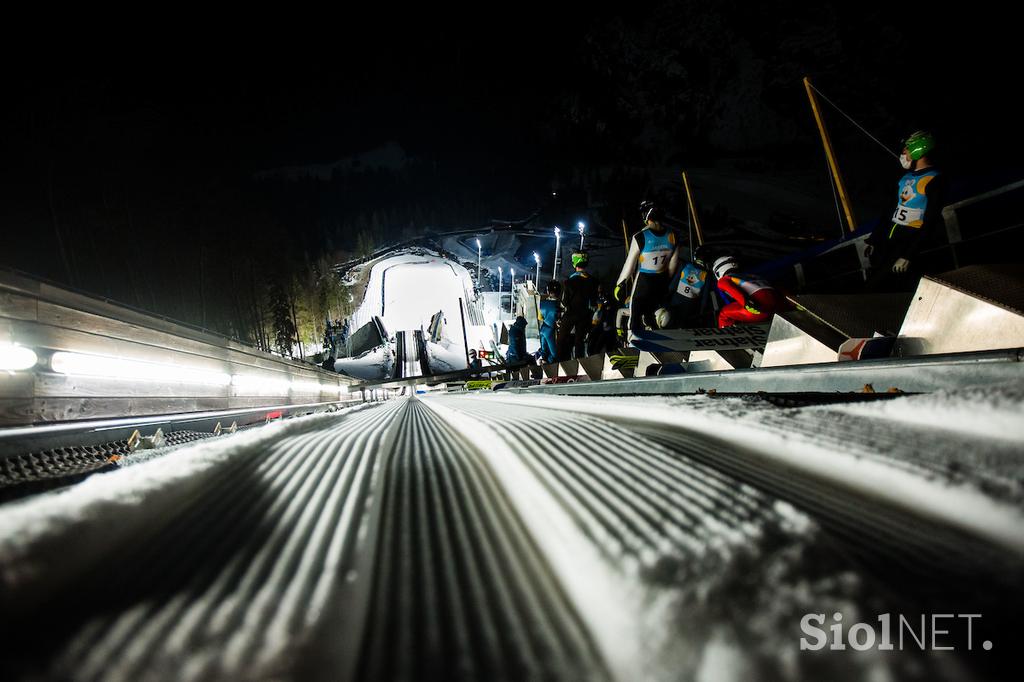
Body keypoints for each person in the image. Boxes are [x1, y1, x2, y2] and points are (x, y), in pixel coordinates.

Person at [865, 131, 947, 292]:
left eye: (906, 150)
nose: (903, 154)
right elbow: (890, 211)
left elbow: (931, 221)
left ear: (918, 150)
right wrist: (874, 240)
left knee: (882, 288)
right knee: (878, 286)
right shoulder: (904, 178)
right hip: (889, 242)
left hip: (908, 244)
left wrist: (908, 255)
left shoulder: (935, 179)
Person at [614, 200, 681, 331]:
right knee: (652, 317)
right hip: (661, 280)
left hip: (644, 280)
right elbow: (673, 264)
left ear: (646, 215)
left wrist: (620, 284)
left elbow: (630, 265)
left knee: (635, 317)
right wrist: (666, 280)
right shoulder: (673, 235)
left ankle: (632, 346)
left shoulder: (640, 236)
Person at [712, 255, 783, 328]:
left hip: (758, 310)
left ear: (718, 272)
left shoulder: (725, 279)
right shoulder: (755, 276)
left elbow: (727, 287)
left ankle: (727, 337)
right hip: (777, 309)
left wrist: (747, 304)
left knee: (724, 314)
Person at [558, 252, 600, 359]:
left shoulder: (569, 282)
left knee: (562, 338)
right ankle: (580, 362)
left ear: (574, 264)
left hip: (572, 313)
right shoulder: (594, 281)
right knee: (579, 341)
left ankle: (561, 361)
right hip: (586, 314)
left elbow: (564, 302)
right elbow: (594, 301)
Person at [537, 281, 561, 364]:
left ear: (548, 291)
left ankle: (542, 364)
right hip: (551, 331)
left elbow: (540, 318)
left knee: (544, 351)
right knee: (554, 354)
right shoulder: (559, 305)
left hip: (543, 329)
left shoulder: (542, 303)